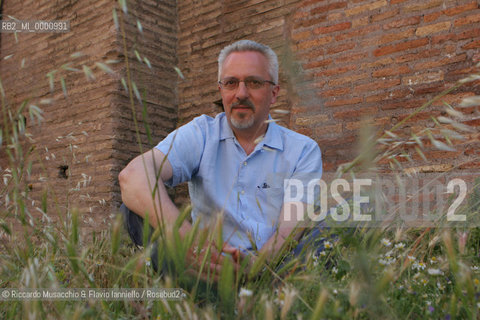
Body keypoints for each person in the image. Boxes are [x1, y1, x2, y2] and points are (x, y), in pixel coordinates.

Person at [118, 40, 323, 279]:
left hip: (271, 268)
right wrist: (187, 240)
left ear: (274, 93)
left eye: (254, 83)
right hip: (199, 265)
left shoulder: (303, 150)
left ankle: (260, 294)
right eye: (231, 83)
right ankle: (195, 287)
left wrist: (256, 267)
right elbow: (132, 176)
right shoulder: (201, 133)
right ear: (221, 90)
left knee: (338, 225)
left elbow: (290, 228)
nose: (241, 93)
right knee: (133, 210)